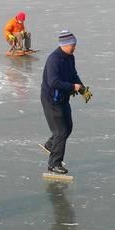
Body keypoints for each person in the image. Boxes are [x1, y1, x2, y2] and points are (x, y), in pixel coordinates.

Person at [40, 30, 92, 175]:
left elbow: (73, 74)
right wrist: (72, 87)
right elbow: (53, 82)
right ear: (64, 44)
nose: (74, 47)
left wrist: (81, 88)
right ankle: (54, 164)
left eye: (75, 44)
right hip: (51, 100)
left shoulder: (70, 57)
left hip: (63, 98)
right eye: (72, 45)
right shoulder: (53, 59)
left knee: (68, 127)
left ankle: (51, 145)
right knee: (60, 131)